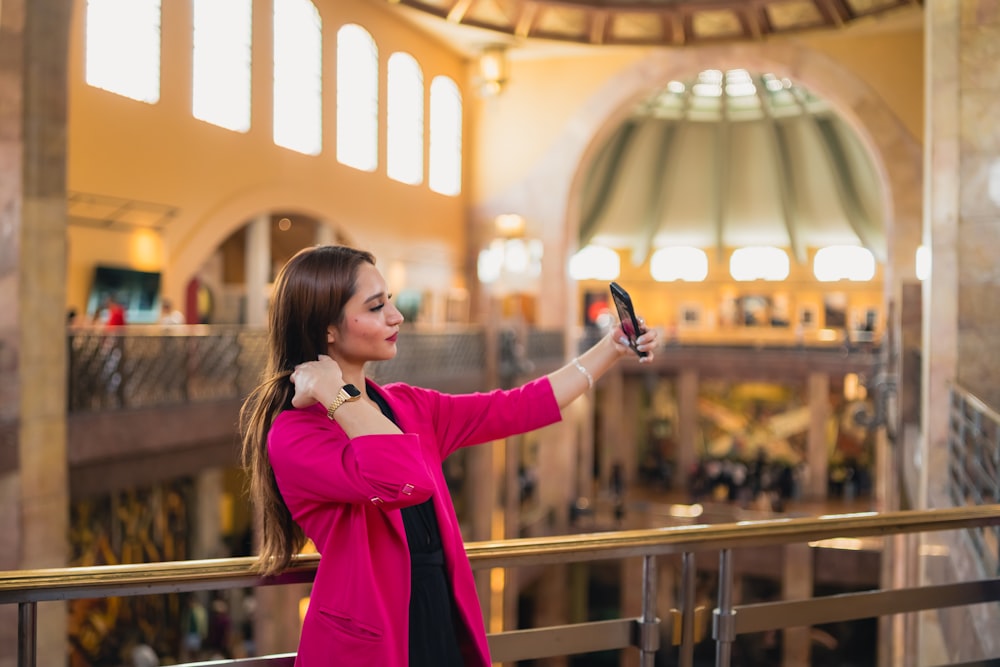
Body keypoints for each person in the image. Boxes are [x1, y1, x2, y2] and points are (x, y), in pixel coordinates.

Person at [239, 244, 658, 667]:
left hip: (439, 619)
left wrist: (612, 348)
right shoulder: (296, 434)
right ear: (327, 329)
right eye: (376, 306)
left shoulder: (409, 406)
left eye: (390, 301)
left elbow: (518, 406)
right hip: (372, 642)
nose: (396, 316)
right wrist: (334, 393)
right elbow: (402, 478)